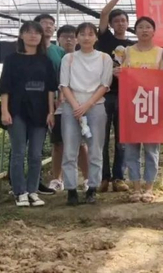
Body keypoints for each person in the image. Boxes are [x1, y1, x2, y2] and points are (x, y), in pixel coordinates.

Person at [0, 21, 57, 207]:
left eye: (37, 33)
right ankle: (19, 191)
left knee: (35, 154)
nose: (33, 36)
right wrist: (5, 110)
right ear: (21, 35)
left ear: (41, 37)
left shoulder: (45, 61)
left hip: (40, 111)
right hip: (17, 109)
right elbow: (5, 87)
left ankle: (32, 190)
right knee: (18, 152)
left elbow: (50, 89)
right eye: (28, 32)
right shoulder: (12, 59)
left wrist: (51, 112)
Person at [59, 22, 113, 205]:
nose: (86, 37)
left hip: (95, 106)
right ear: (77, 38)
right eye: (82, 34)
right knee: (70, 149)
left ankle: (92, 188)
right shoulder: (69, 59)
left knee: (95, 149)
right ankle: (71, 189)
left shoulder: (104, 58)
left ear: (96, 37)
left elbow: (104, 85)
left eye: (90, 34)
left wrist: (87, 104)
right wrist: (76, 106)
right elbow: (64, 85)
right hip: (71, 106)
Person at [121, 16, 163, 203]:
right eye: (140, 27)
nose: (144, 30)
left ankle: (149, 188)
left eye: (148, 27)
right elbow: (122, 74)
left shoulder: (161, 53)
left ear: (154, 31)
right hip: (131, 106)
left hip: (152, 106)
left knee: (151, 149)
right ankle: (136, 187)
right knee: (131, 149)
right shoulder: (127, 52)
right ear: (135, 30)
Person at [97, 0, 135, 193]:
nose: (120, 23)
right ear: (111, 24)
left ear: (128, 23)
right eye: (117, 20)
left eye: (123, 20)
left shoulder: (134, 46)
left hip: (125, 95)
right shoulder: (105, 39)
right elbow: (103, 12)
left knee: (122, 138)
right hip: (104, 94)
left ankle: (119, 177)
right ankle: (103, 177)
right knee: (101, 138)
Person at [48, 25, 90, 193]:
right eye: (65, 37)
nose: (69, 40)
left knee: (80, 144)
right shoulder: (53, 59)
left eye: (72, 36)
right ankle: (57, 179)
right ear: (58, 39)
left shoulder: (83, 58)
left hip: (79, 105)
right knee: (58, 143)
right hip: (59, 107)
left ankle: (87, 178)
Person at [33, 13, 65, 195]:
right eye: (43, 23)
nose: (48, 26)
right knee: (30, 142)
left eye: (51, 24)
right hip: (34, 101)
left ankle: (52, 179)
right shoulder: (29, 50)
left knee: (55, 141)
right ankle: (23, 182)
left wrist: (60, 97)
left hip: (56, 102)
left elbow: (63, 77)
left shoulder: (59, 52)